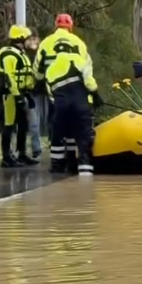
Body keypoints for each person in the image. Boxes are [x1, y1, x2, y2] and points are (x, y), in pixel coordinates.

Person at [34, 13, 98, 173]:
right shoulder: (79, 43)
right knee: (77, 129)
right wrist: (95, 94)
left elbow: (37, 68)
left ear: (56, 26)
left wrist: (40, 82)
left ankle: (57, 165)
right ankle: (75, 162)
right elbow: (88, 70)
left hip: (56, 91)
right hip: (80, 93)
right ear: (70, 27)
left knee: (57, 128)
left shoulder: (46, 43)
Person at [0, 25, 39, 168]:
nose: (29, 41)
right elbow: (9, 77)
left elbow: (26, 75)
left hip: (21, 93)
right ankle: (6, 157)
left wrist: (28, 93)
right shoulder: (8, 54)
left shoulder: (20, 53)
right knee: (9, 125)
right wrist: (17, 96)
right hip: (10, 95)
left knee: (23, 125)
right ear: (20, 39)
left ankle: (22, 154)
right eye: (27, 38)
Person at [25, 30, 44, 159]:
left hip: (43, 93)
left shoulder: (41, 54)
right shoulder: (24, 56)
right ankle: (36, 149)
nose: (33, 42)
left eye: (35, 39)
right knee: (34, 122)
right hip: (29, 93)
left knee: (43, 121)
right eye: (30, 39)